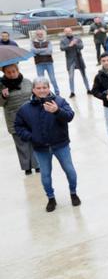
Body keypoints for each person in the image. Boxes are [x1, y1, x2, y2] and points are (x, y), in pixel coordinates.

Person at [14, 78, 80, 212]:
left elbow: (70, 116)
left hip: (61, 144)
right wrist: (31, 137)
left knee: (70, 171)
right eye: (38, 88)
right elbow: (18, 126)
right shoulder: (25, 108)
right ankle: (51, 198)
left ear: (49, 88)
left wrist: (57, 111)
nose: (42, 90)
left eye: (44, 87)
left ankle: (73, 193)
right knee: (45, 175)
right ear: (33, 90)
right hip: (40, 148)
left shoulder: (59, 101)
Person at [1, 63, 40, 175]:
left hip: (29, 117)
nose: (12, 74)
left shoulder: (27, 82)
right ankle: (26, 167)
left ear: (18, 70)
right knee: (21, 144)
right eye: (8, 72)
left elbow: (35, 96)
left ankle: (37, 165)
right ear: (4, 73)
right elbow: (0, 103)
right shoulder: (1, 85)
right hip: (13, 118)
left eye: (14, 71)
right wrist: (3, 96)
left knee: (33, 141)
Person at [58, 27, 90, 97]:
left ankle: (88, 89)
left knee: (84, 75)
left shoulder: (77, 38)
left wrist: (75, 44)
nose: (68, 32)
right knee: (71, 77)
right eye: (66, 31)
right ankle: (72, 92)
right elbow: (61, 48)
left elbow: (81, 46)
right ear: (65, 33)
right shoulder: (63, 40)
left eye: (69, 31)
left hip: (79, 59)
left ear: (72, 31)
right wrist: (69, 45)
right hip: (70, 60)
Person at [31, 29, 61, 95]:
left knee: (52, 79)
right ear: (36, 35)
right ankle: (44, 93)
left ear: (43, 34)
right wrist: (44, 50)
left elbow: (49, 51)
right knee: (40, 81)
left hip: (49, 63)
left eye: (41, 34)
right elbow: (33, 51)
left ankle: (57, 92)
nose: (40, 35)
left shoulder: (48, 41)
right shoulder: (33, 42)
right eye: (38, 34)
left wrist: (39, 51)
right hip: (39, 63)